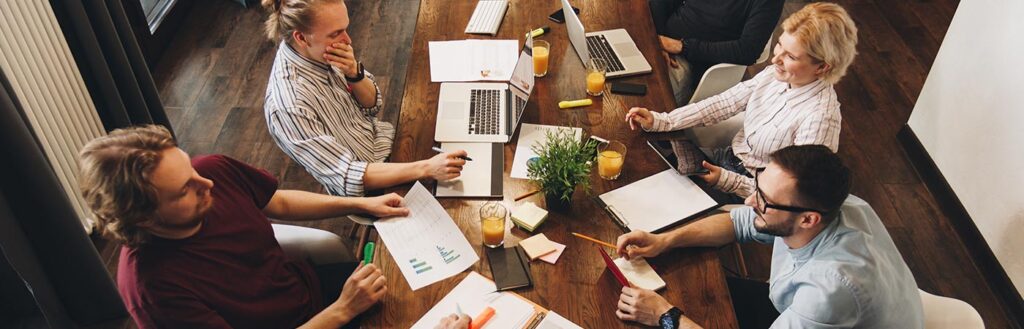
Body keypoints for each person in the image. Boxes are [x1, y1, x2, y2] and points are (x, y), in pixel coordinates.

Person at [78, 125, 410, 328]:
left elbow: (276, 201)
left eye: (189, 165)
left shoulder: (212, 171)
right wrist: (343, 310)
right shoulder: (152, 289)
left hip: (307, 291)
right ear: (143, 219)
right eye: (184, 190)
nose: (206, 182)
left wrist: (359, 203)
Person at [613, 145, 924, 328]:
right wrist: (664, 240)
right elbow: (738, 223)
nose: (751, 202)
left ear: (808, 219)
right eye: (757, 188)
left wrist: (665, 316)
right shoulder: (835, 204)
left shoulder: (829, 291)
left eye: (763, 200)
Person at [627, 2, 858, 200]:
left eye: (790, 56)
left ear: (822, 67)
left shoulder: (820, 119)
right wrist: (660, 120)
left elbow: (791, 197)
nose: (775, 59)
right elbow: (722, 104)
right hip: (723, 160)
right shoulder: (774, 76)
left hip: (745, 192)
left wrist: (728, 181)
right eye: (780, 46)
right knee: (642, 166)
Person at [262, 0, 467, 197]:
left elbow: (371, 105)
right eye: (336, 33)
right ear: (301, 38)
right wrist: (427, 168)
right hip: (373, 188)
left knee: (465, 130)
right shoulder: (288, 106)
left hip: (385, 142)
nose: (348, 40)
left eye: (345, 28)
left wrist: (354, 73)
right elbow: (349, 176)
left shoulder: (320, 51)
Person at [648, 0, 785, 105]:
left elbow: (748, 50)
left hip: (695, 61)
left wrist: (682, 47)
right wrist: (657, 41)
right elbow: (661, 3)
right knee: (630, 60)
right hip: (662, 41)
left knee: (645, 88)